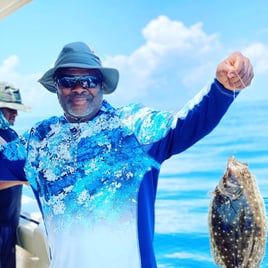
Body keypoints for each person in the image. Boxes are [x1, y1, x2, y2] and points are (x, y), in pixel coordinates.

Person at [0, 42, 253, 268]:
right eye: (67, 81)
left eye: (88, 80)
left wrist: (222, 88)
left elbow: (187, 123)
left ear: (102, 85)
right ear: (57, 88)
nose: (78, 88)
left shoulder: (136, 127)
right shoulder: (40, 141)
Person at [0, 82, 31, 268]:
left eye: (16, 109)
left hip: (7, 232)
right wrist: (24, 178)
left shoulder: (10, 135)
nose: (15, 114)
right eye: (9, 108)